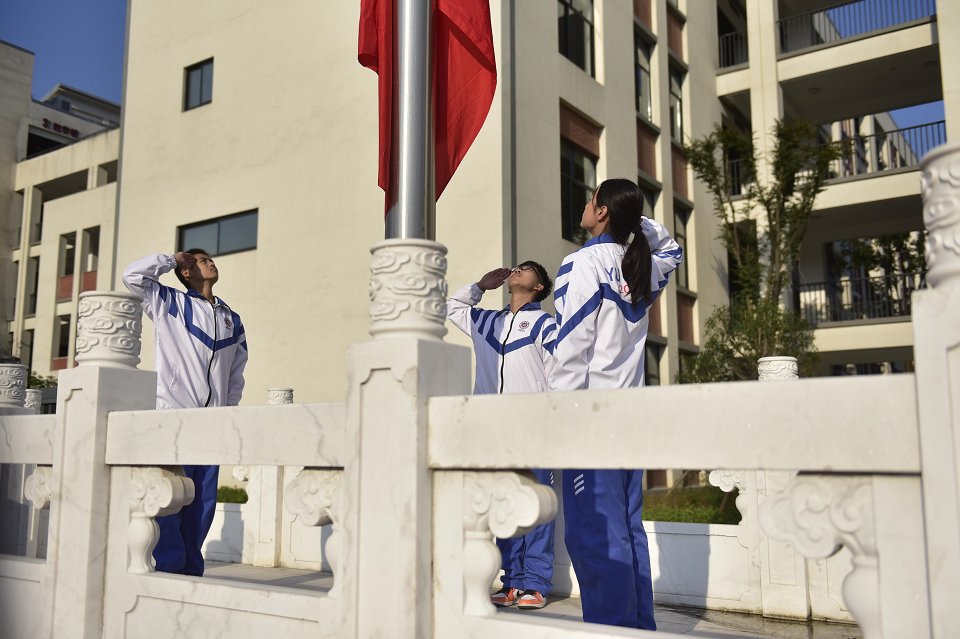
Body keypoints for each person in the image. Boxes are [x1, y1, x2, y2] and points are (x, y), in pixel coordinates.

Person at [550, 179, 682, 629]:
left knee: (595, 538)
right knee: (627, 532)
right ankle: (639, 628)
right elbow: (672, 250)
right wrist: (632, 217)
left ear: (601, 212)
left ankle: (612, 631)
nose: (585, 208)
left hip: (590, 422)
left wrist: (557, 424)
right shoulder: (639, 266)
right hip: (630, 421)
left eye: (591, 202)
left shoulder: (582, 263)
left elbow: (570, 350)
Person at [123, 249, 248, 576]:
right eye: (199, 260)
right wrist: (169, 259)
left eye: (209, 259)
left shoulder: (231, 318)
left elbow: (236, 372)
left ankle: (191, 573)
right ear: (186, 271)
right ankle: (169, 571)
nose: (209, 262)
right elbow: (132, 277)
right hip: (173, 419)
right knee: (170, 498)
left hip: (211, 425)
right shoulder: (169, 303)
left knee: (202, 507)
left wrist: (227, 412)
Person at [446, 261, 557, 609]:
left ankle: (535, 583)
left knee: (537, 504)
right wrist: (480, 286)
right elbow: (451, 307)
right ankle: (511, 582)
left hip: (534, 426)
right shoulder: (485, 321)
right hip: (492, 427)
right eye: (517, 268)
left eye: (527, 270)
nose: (518, 271)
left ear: (539, 287)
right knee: (504, 504)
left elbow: (558, 374)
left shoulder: (546, 324)